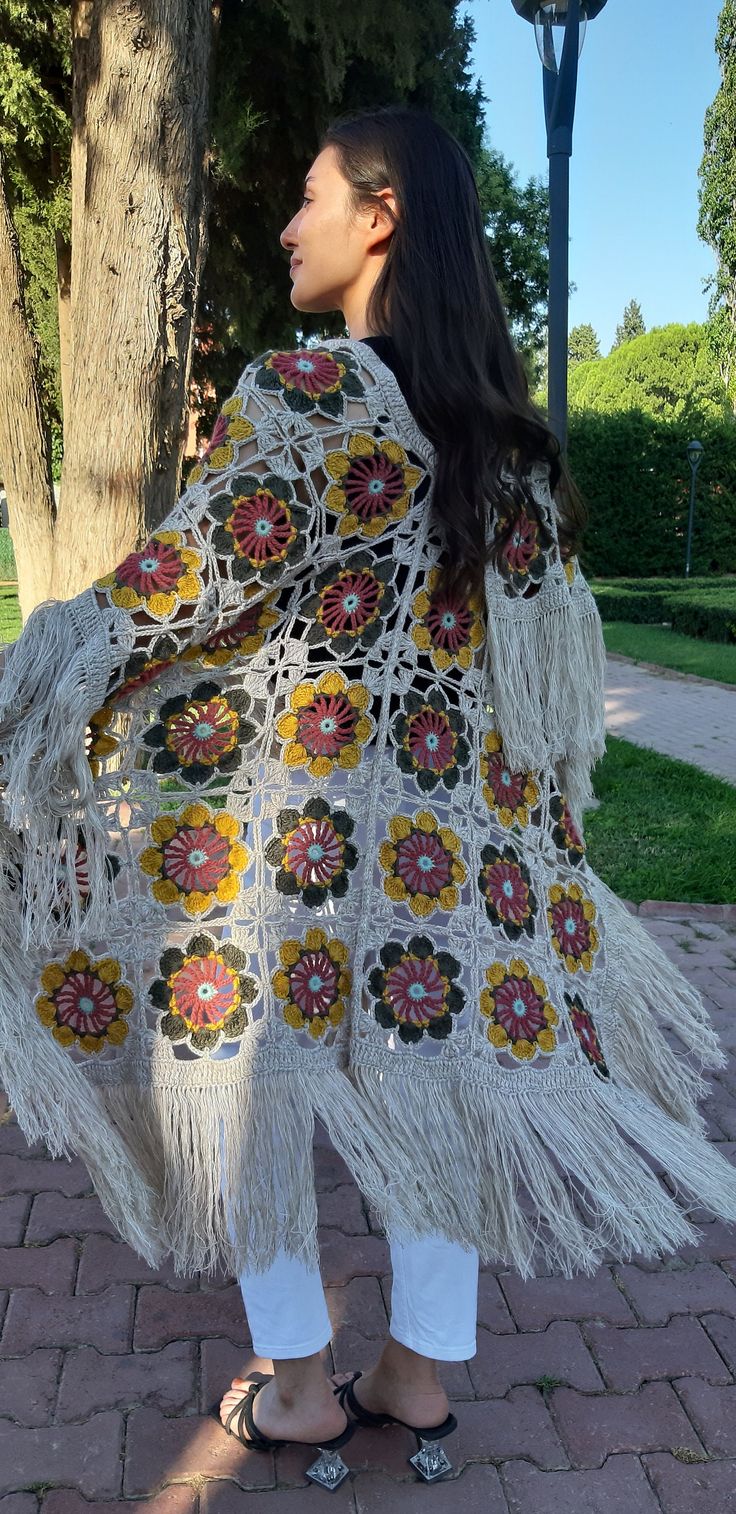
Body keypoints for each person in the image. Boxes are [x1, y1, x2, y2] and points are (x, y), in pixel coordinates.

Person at [1, 104, 736, 1491]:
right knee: (432, 1063)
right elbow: (548, 687)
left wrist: (43, 675)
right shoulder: (506, 449)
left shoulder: (303, 397)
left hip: (287, 841)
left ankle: (295, 1390)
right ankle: (416, 1373)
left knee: (240, 1067)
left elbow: (182, 589)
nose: (288, 225)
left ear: (380, 216)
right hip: (438, 865)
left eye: (309, 196)